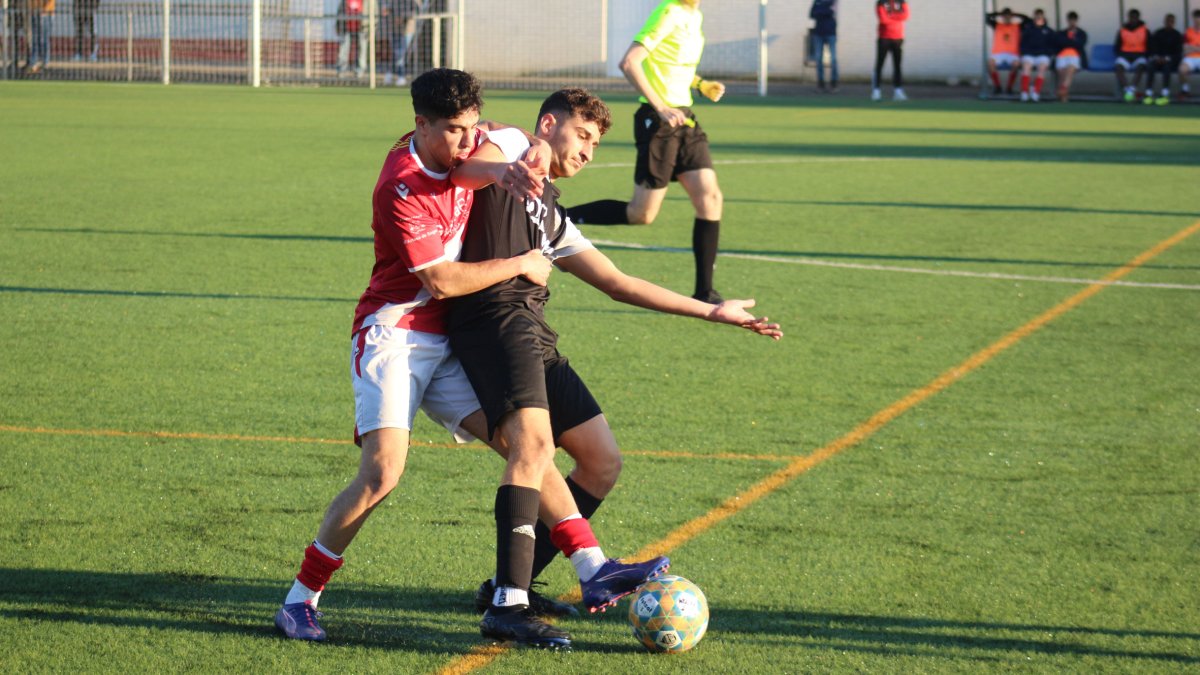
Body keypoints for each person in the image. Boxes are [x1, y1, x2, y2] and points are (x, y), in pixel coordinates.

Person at [448, 87, 782, 649]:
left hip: (535, 333)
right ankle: (509, 603)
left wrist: (712, 310)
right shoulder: (510, 146)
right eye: (582, 136)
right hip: (493, 325)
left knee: (602, 461)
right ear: (548, 124)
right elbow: (466, 165)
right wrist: (512, 160)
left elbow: (619, 283)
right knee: (533, 450)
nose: (588, 153)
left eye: (596, 144)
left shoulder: (550, 211)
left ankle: (513, 583)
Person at [273, 68, 555, 643]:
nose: (465, 142)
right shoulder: (400, 185)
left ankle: (583, 570)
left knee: (524, 448)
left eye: (471, 128)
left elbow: (501, 132)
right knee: (382, 474)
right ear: (419, 126)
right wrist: (522, 262)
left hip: (444, 341)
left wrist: (529, 151)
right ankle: (300, 600)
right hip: (394, 336)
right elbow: (443, 280)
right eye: (453, 131)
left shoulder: (469, 143)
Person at [563, 0, 728, 305]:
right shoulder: (668, 11)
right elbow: (630, 62)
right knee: (642, 214)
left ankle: (706, 292)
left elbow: (670, 63)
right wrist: (660, 106)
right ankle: (560, 217)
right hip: (659, 122)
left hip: (685, 119)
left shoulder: (695, 15)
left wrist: (700, 84)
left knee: (710, 198)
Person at [986, 7, 1028, 96]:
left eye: (1009, 16)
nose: (1007, 18)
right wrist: (999, 14)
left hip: (1013, 53)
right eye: (1005, 16)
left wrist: (1015, 14)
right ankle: (997, 87)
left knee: (1016, 64)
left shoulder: (1017, 26)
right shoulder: (997, 25)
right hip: (998, 53)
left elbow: (1027, 20)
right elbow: (987, 17)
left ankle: (1009, 87)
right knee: (990, 63)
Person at [872, 0, 908, 102]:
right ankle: (876, 91)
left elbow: (905, 16)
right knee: (879, 65)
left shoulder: (902, 2)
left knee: (897, 66)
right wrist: (897, 16)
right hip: (884, 38)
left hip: (898, 38)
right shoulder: (881, 2)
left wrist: (891, 15)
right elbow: (883, 20)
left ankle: (898, 90)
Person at [1017, 8, 1056, 102]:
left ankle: (1036, 92)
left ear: (1043, 16)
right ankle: (1025, 93)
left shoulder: (1048, 31)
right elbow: (1022, 43)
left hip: (1043, 55)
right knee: (1026, 67)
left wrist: (1048, 53)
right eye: (1036, 15)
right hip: (1029, 54)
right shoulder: (1028, 29)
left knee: (1042, 68)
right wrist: (1024, 53)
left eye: (1040, 15)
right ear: (1034, 17)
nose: (1038, 17)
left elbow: (1053, 44)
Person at [1145, 13, 1183, 105]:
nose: (1169, 23)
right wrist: (1156, 57)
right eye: (1167, 21)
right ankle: (1148, 93)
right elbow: (1152, 48)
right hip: (1157, 60)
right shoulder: (1158, 33)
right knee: (1150, 66)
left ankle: (1165, 93)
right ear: (1164, 21)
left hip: (1170, 61)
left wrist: (1167, 58)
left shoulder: (1177, 35)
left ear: (1174, 23)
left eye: (1171, 21)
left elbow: (1178, 53)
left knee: (1167, 68)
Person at [1115, 8, 1150, 102]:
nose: (1133, 20)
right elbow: (1117, 46)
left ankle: (1132, 89)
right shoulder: (1122, 30)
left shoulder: (1145, 30)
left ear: (1138, 18)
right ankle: (1127, 90)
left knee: (1141, 66)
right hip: (1125, 56)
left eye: (1135, 18)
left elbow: (1149, 45)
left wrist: (1145, 55)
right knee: (1118, 67)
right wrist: (1121, 54)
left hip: (1139, 56)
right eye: (1131, 17)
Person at [382, 0, 419, 86]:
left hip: (406, 30)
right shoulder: (394, 1)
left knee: (400, 53)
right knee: (395, 53)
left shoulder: (412, 2)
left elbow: (415, 11)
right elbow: (388, 9)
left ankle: (400, 75)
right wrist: (387, 12)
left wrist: (402, 17)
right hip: (394, 29)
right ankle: (390, 74)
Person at [1054, 11, 1088, 102]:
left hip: (1075, 55)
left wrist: (1069, 42)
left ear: (1076, 21)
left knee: (1070, 69)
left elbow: (1080, 44)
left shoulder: (1081, 33)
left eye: (1074, 20)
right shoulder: (1061, 33)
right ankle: (1064, 95)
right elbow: (1059, 43)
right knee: (1061, 72)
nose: (1072, 22)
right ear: (1067, 21)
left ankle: (1062, 91)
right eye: (1070, 20)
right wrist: (1072, 41)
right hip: (1062, 55)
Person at [810, 0, 838, 93]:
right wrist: (824, 11)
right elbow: (812, 14)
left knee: (833, 59)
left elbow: (831, 12)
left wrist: (820, 11)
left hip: (830, 33)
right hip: (818, 33)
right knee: (818, 59)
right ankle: (820, 83)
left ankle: (834, 83)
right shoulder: (817, 1)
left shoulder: (833, 1)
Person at [335, 0, 367, 78]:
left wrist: (369, 27)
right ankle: (341, 71)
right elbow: (339, 12)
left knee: (361, 50)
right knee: (343, 50)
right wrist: (338, 26)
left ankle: (359, 71)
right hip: (346, 29)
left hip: (361, 29)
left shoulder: (366, 1)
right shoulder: (344, 1)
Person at [27, 0, 53, 74]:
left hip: (45, 13)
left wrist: (45, 9)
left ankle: (45, 63)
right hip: (34, 11)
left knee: (43, 39)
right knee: (35, 39)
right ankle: (34, 63)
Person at [1179, 9, 1200, 100]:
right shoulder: (1188, 31)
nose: (1198, 19)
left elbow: (1189, 47)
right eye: (1196, 17)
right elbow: (1185, 49)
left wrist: (1192, 47)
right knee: (1182, 69)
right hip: (1190, 58)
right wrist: (1197, 48)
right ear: (1193, 18)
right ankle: (1185, 90)